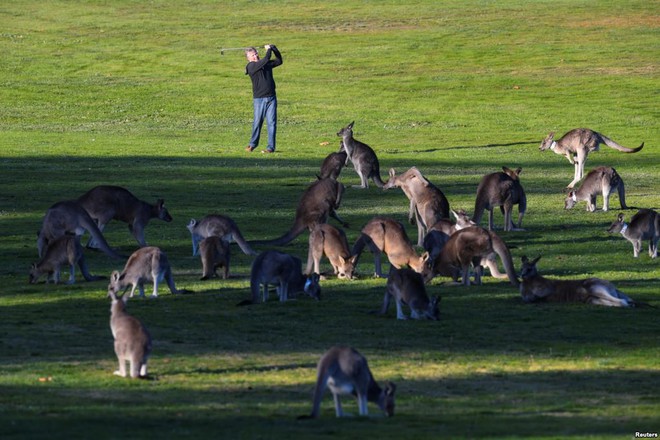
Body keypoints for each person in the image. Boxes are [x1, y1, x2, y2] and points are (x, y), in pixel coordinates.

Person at [244, 45, 282, 154]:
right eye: (252, 55)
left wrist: (275, 49)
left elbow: (279, 61)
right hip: (259, 100)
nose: (255, 56)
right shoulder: (250, 66)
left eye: (256, 54)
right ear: (248, 58)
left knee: (272, 123)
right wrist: (269, 50)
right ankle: (252, 144)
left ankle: (270, 148)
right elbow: (266, 59)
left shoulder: (266, 64)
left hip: (271, 98)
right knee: (257, 122)